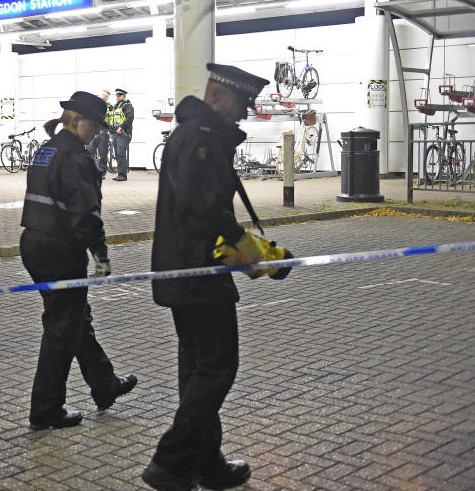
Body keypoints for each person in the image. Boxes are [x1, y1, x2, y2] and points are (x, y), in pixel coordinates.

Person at [142, 63, 291, 491]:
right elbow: (205, 212)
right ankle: (169, 463)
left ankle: (205, 463)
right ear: (217, 97)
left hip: (188, 271)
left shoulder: (195, 136)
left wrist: (259, 256)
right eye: (242, 104)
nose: (244, 115)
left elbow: (205, 210)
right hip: (198, 274)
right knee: (216, 367)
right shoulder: (201, 140)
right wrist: (261, 255)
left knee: (198, 369)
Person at [21, 91, 137, 431]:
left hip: (34, 242)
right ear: (80, 121)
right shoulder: (75, 157)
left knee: (74, 320)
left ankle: (105, 385)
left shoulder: (46, 149)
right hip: (60, 248)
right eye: (96, 126)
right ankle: (46, 410)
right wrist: (100, 256)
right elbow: (86, 214)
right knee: (62, 330)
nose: (98, 132)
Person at [110, 88, 134, 181]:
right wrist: (111, 130)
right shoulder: (116, 107)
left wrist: (121, 127)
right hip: (116, 134)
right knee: (117, 154)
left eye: (119, 95)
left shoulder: (128, 106)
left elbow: (129, 119)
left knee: (121, 154)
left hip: (124, 134)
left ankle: (123, 175)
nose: (117, 97)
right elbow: (113, 120)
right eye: (116, 95)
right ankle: (120, 174)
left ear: (124, 96)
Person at [86, 89, 112, 176]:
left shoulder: (110, 107)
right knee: (90, 152)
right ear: (99, 95)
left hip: (104, 133)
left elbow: (111, 120)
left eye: (106, 96)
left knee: (102, 153)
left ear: (108, 98)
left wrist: (110, 131)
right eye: (103, 95)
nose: (104, 96)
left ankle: (102, 172)